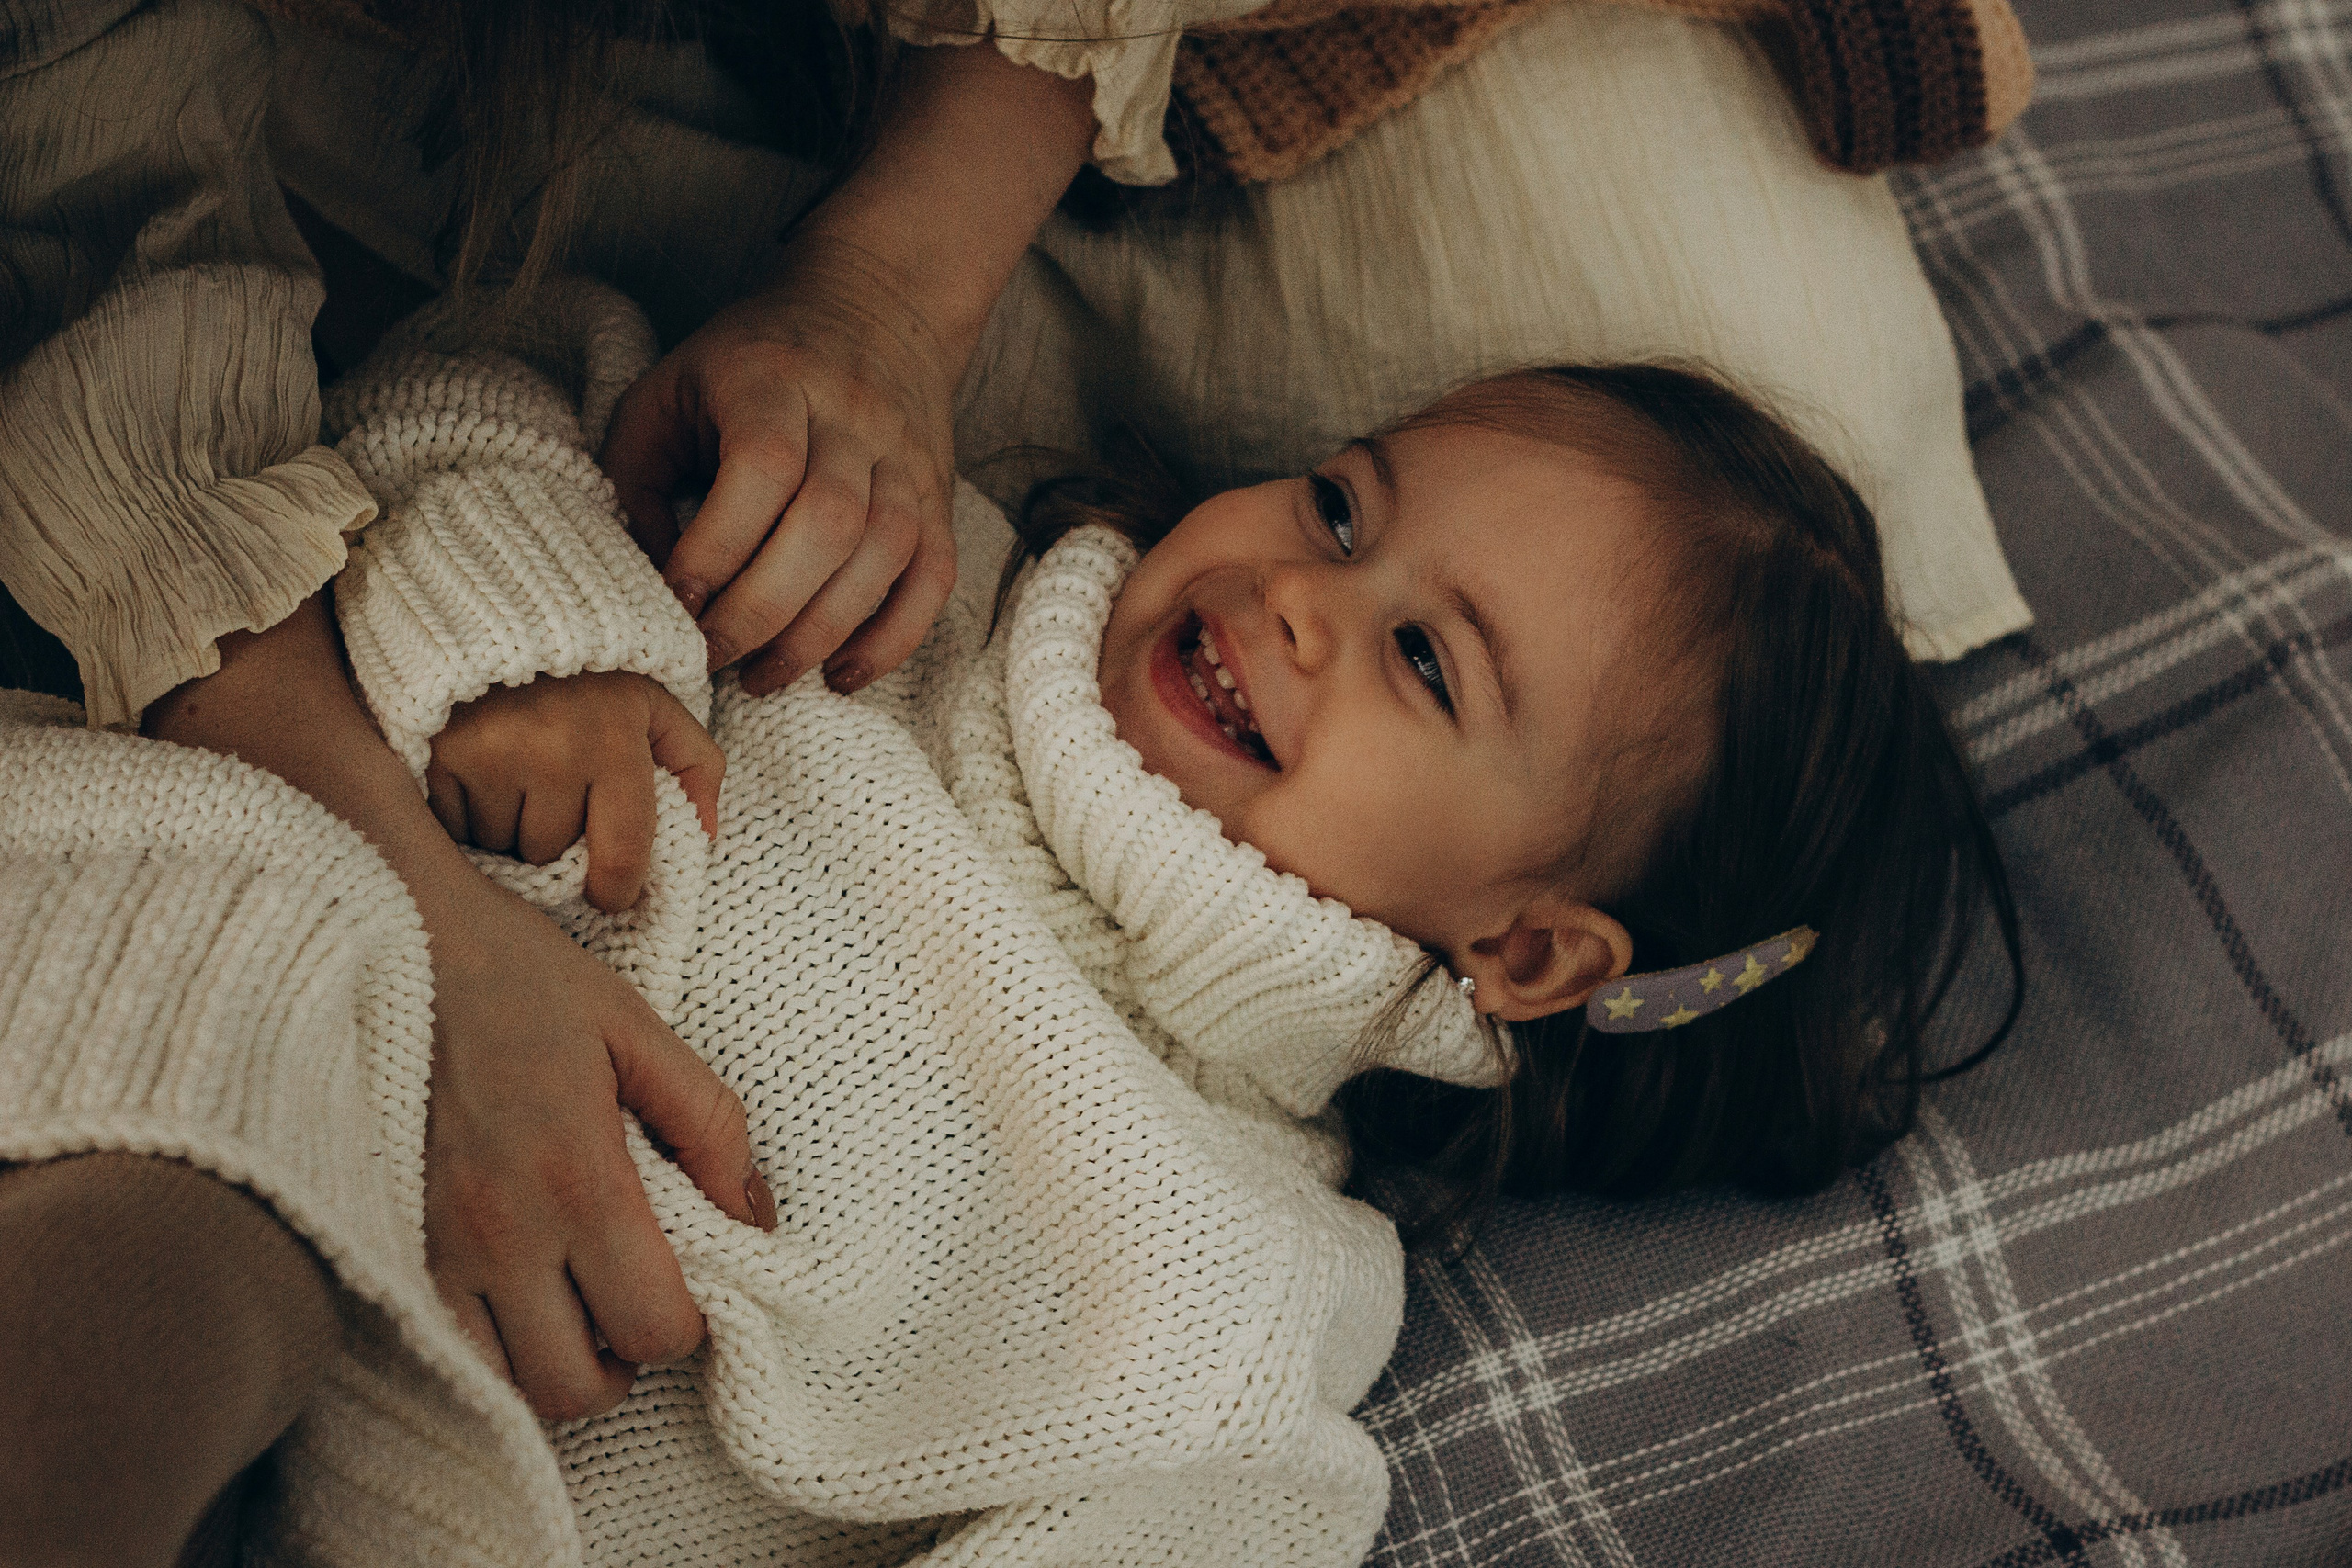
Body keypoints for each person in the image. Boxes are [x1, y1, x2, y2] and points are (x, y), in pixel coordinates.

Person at [316, 305, 2018, 1555]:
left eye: (1426, 662)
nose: (1300, 593)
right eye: (1345, 509)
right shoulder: (914, 578)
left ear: (1529, 952)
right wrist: (544, 641)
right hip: (245, 1002)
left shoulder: (1244, 1307)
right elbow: (481, 368)